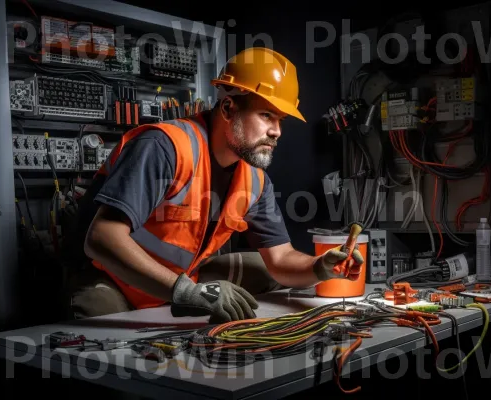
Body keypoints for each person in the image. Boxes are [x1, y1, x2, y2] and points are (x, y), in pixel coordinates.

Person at [66, 47, 364, 322]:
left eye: (281, 120)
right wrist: (187, 293)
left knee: (263, 270)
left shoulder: (254, 179)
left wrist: (320, 267)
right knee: (100, 324)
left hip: (183, 279)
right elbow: (102, 238)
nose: (276, 132)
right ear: (228, 109)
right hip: (115, 279)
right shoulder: (164, 147)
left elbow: (281, 258)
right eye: (266, 115)